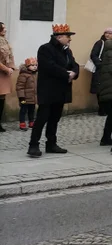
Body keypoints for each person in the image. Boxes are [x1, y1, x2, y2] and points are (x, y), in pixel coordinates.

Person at [27, 24, 80, 158]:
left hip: (62, 89)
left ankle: (51, 144)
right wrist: (66, 74)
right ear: (59, 37)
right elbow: (49, 66)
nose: (70, 40)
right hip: (48, 90)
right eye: (68, 37)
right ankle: (33, 145)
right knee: (42, 118)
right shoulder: (45, 49)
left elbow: (74, 64)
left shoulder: (67, 50)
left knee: (55, 118)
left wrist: (74, 72)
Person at [87, 28, 112, 99]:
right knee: (100, 90)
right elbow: (93, 55)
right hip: (101, 70)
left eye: (110, 33)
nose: (107, 35)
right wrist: (100, 64)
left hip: (111, 70)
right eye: (106, 33)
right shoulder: (100, 43)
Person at [16, 57, 38, 131]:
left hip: (33, 97)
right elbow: (20, 87)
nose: (35, 67)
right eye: (32, 65)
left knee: (32, 110)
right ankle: (22, 123)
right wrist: (21, 97)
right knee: (23, 110)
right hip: (24, 98)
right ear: (27, 66)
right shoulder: (23, 75)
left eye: (36, 65)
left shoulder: (35, 75)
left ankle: (31, 122)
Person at [0, 22, 15, 132]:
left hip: (4, 74)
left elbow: (10, 56)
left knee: (2, 98)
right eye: (3, 28)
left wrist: (12, 67)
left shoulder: (5, 40)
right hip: (2, 71)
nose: (5, 30)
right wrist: (6, 68)